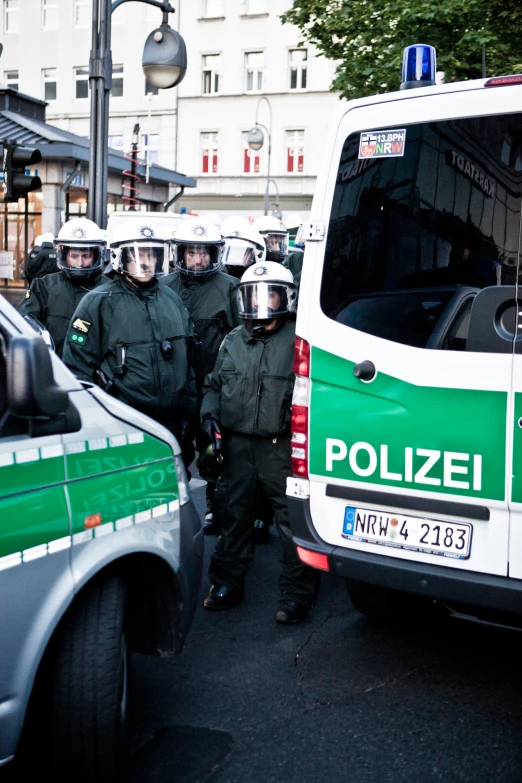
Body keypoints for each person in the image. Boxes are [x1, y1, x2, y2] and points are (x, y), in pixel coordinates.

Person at [201, 261, 319, 624]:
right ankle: (227, 583)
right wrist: (209, 417)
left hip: (279, 447)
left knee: (290, 522)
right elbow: (214, 385)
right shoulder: (234, 340)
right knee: (233, 515)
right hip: (238, 445)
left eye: (270, 294)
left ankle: (296, 595)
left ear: (286, 297)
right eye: (254, 294)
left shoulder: (299, 341)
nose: (261, 303)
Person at [62, 219, 197, 457]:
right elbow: (77, 369)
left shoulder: (171, 299)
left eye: (151, 254)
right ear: (120, 258)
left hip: (171, 425)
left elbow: (187, 365)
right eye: (136, 254)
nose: (144, 261)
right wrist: (98, 421)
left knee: (171, 489)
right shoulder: (99, 301)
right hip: (123, 423)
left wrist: (189, 414)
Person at [162, 216, 241, 529]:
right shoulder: (164, 287)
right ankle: (171, 508)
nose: (198, 259)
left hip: (211, 386)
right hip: (175, 386)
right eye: (192, 252)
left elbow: (239, 338)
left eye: (204, 253)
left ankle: (214, 506)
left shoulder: (230, 288)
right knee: (173, 449)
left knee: (212, 449)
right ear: (180, 254)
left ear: (215, 254)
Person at [18, 218, 105, 357]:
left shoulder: (109, 289)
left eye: (86, 256)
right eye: (74, 256)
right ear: (64, 256)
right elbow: (23, 324)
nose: (80, 263)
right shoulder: (44, 286)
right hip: (55, 369)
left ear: (96, 256)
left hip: (94, 374)